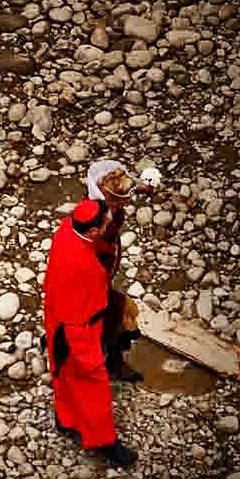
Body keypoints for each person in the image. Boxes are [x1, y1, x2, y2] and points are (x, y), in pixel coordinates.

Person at [43, 198, 137, 467]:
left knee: (62, 370)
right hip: (78, 326)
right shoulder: (82, 265)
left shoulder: (67, 228)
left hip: (56, 316)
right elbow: (79, 313)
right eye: (105, 223)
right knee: (93, 382)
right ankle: (104, 440)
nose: (108, 224)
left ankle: (66, 418)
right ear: (94, 231)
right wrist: (87, 352)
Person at [86, 160, 153, 383]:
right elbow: (90, 251)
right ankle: (111, 364)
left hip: (105, 267)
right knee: (107, 315)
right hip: (93, 276)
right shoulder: (94, 220)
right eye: (120, 199)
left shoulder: (110, 206)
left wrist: (144, 187)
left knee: (113, 311)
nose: (125, 203)